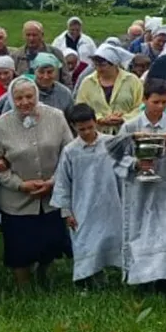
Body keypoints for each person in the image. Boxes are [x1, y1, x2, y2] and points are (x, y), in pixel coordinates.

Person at [107, 78, 166, 294]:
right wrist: (137, 163)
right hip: (138, 191)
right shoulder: (131, 126)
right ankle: (141, 283)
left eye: (164, 102)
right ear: (145, 100)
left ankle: (164, 284)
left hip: (165, 190)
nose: (160, 107)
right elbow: (116, 159)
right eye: (156, 102)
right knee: (139, 233)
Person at [0, 77, 73, 288]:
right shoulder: (1, 125)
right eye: (19, 98)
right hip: (17, 200)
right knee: (21, 246)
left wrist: (53, 182)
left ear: (36, 95)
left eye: (29, 96)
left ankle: (46, 279)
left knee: (50, 243)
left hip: (50, 195)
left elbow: (69, 153)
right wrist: (20, 185)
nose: (25, 102)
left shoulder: (56, 117)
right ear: (11, 99)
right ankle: (23, 288)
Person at [52, 103, 123, 285]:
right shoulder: (70, 151)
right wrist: (66, 211)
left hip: (110, 202)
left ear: (96, 123)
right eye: (81, 129)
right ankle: (85, 280)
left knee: (112, 238)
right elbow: (62, 182)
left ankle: (116, 274)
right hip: (82, 205)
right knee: (85, 241)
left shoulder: (110, 143)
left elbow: (123, 170)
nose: (87, 132)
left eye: (90, 127)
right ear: (73, 127)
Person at [75, 43, 143, 134]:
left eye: (103, 65)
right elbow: (81, 107)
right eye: (96, 65)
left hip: (127, 133)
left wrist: (124, 118)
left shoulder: (132, 81)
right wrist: (99, 119)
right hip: (96, 134)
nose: (99, 69)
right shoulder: (87, 82)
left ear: (114, 64)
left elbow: (141, 106)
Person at [0, 54, 73, 118]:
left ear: (56, 72)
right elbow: (6, 117)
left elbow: (71, 121)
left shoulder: (64, 94)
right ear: (34, 71)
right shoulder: (21, 89)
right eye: (41, 72)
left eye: (50, 72)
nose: (45, 76)